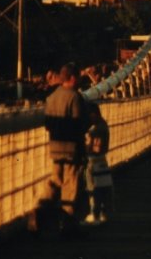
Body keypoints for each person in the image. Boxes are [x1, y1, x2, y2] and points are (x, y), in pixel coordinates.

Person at [30, 63, 88, 235]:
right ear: (72, 78)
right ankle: (67, 222)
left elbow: (47, 124)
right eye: (78, 76)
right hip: (72, 146)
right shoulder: (75, 97)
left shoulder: (52, 97)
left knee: (55, 180)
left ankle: (39, 209)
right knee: (72, 183)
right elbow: (79, 123)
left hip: (55, 146)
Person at [83, 102, 113, 224]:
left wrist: (84, 148)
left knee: (94, 189)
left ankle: (94, 214)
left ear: (93, 114)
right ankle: (101, 213)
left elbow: (96, 148)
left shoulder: (97, 129)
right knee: (101, 188)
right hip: (101, 161)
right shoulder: (102, 125)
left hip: (94, 162)